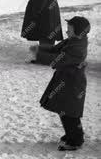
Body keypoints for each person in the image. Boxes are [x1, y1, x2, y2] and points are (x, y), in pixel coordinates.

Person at [38, 16, 89, 151]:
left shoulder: (77, 47)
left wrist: (38, 56)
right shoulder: (73, 40)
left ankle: (75, 141)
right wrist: (40, 50)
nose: (67, 32)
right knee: (64, 110)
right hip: (65, 80)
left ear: (78, 32)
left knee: (70, 113)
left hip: (72, 83)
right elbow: (55, 50)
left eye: (69, 30)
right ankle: (72, 134)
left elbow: (59, 59)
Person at [21, 0, 64, 65]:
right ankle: (45, 57)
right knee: (46, 34)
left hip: (45, 10)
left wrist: (37, 11)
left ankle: (46, 58)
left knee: (45, 34)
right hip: (49, 9)